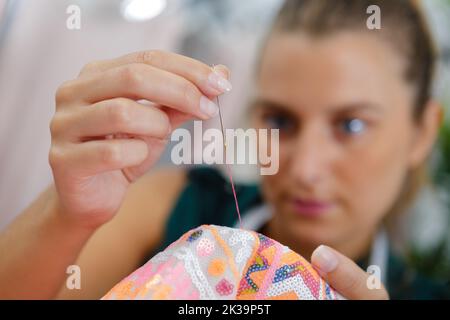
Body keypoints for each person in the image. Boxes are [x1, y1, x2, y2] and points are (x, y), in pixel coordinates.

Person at [0, 0, 448, 299]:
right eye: (279, 120)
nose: (307, 169)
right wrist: (66, 215)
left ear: (423, 132)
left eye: (351, 125)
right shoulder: (171, 210)